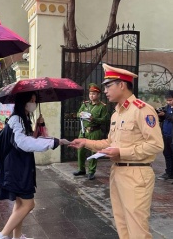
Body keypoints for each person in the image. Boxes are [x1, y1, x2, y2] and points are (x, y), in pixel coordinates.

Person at [69, 63, 164, 239]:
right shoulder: (117, 113)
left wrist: (121, 152)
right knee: (122, 224)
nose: (105, 90)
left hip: (136, 173)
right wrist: (85, 142)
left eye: (108, 86)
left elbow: (156, 145)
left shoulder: (141, 110)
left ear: (122, 85)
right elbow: (110, 142)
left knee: (137, 229)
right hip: (117, 172)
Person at [0, 91, 67, 239]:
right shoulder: (16, 119)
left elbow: (29, 139)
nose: (33, 103)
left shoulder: (23, 118)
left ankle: (17, 237)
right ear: (23, 101)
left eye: (34, 100)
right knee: (28, 204)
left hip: (20, 165)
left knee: (20, 204)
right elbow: (23, 143)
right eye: (31, 100)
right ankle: (1, 236)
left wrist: (38, 126)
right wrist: (54, 142)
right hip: (16, 168)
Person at [73, 83, 109, 180]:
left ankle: (91, 171)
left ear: (98, 95)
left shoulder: (102, 107)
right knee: (80, 150)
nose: (91, 96)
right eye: (90, 94)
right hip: (83, 131)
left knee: (93, 151)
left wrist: (94, 119)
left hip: (94, 131)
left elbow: (105, 120)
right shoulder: (84, 104)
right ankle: (81, 169)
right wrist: (79, 114)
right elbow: (77, 114)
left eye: (93, 94)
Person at [156, 90, 173, 180]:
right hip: (166, 135)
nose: (168, 102)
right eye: (167, 100)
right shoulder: (167, 108)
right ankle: (169, 173)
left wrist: (166, 115)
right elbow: (164, 118)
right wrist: (160, 115)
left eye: (170, 100)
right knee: (167, 154)